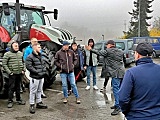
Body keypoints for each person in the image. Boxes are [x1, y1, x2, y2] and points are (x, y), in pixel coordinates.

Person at [119, 42, 160, 120]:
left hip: (137, 116)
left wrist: (126, 112)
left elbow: (123, 99)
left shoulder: (131, 73)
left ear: (137, 54)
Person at [85, 40, 125, 115]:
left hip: (115, 73)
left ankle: (118, 107)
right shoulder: (120, 51)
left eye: (107, 45)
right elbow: (124, 60)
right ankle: (117, 104)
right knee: (119, 89)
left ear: (110, 45)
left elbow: (99, 52)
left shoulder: (108, 51)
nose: (106, 46)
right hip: (122, 72)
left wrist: (90, 49)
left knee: (116, 90)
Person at [2, 41, 26, 108]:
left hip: (19, 74)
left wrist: (23, 69)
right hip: (12, 74)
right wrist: (9, 72)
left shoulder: (20, 53)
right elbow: (4, 64)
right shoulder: (7, 54)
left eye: (17, 46)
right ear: (12, 47)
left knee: (18, 87)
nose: (17, 47)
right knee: (11, 88)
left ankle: (18, 100)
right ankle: (10, 101)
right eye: (15, 46)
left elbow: (24, 62)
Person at [25, 43, 48, 114]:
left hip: (41, 77)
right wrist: (37, 72)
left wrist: (43, 71)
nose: (40, 48)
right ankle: (32, 105)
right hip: (35, 77)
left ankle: (39, 102)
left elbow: (43, 64)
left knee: (39, 90)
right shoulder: (30, 57)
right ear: (34, 48)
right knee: (33, 91)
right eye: (39, 47)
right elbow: (29, 67)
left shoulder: (40, 56)